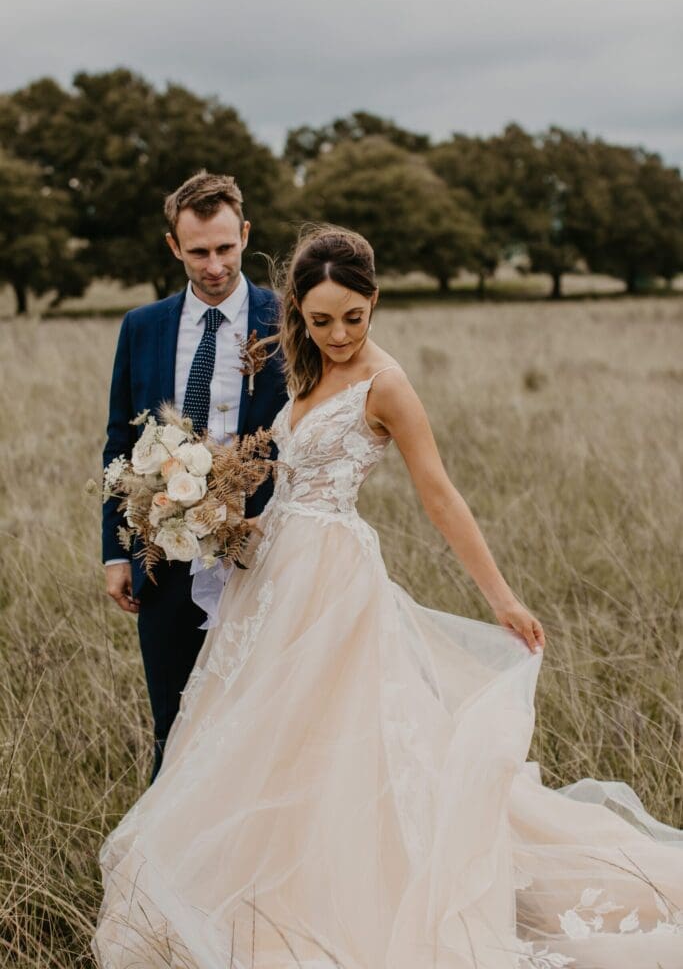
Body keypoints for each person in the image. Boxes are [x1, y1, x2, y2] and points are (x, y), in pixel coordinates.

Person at [93, 227, 683, 969]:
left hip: (332, 581)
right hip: (269, 572)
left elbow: (439, 494)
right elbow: (285, 482)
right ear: (298, 315)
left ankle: (344, 900)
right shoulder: (298, 371)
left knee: (337, 742)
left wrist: (499, 595)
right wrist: (207, 515)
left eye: (354, 318)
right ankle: (254, 891)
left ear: (374, 303)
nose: (339, 335)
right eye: (321, 320)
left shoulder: (386, 383)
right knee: (254, 736)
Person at [102, 171, 287, 782]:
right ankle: (163, 867)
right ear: (173, 246)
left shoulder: (287, 322)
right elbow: (120, 444)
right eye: (199, 251)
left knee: (262, 718)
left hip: (260, 551)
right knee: (174, 720)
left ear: (246, 236)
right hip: (163, 553)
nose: (214, 265)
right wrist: (115, 551)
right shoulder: (142, 327)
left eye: (227, 248)